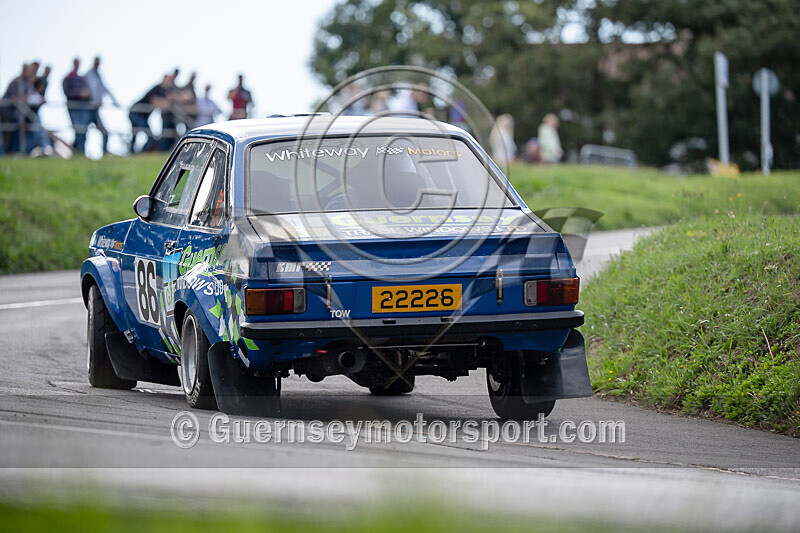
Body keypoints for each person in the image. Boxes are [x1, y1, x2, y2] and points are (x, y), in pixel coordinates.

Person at [83, 56, 118, 154]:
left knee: (104, 132)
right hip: (89, 108)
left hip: (96, 108)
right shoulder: (88, 75)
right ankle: (80, 151)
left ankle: (105, 152)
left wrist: (114, 101)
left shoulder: (98, 76)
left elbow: (105, 88)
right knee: (82, 131)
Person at [129, 75, 170, 153]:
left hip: (141, 115)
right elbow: (155, 101)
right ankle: (142, 152)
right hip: (136, 113)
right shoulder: (157, 89)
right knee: (148, 136)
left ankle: (134, 152)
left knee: (136, 133)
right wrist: (164, 104)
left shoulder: (163, 91)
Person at [62, 58, 91, 155]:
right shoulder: (68, 79)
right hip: (74, 108)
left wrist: (87, 94)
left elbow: (89, 91)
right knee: (78, 130)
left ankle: (80, 152)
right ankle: (78, 152)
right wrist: (79, 94)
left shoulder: (82, 79)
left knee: (83, 131)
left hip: (83, 107)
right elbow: (68, 92)